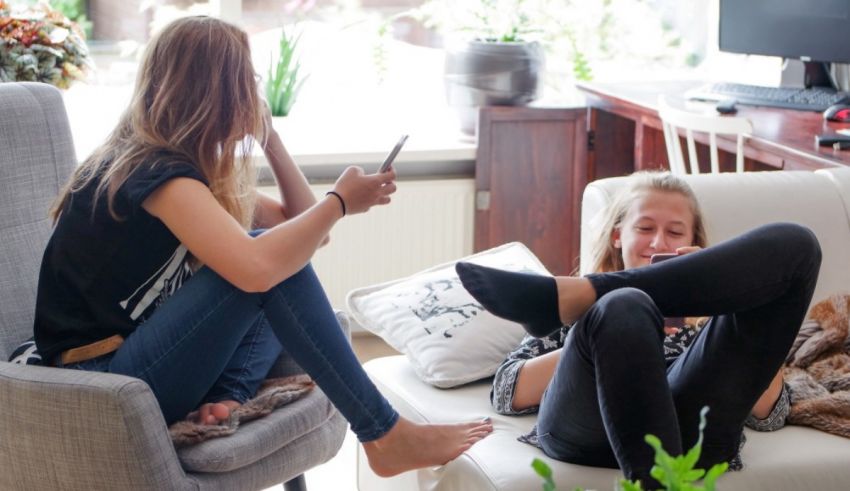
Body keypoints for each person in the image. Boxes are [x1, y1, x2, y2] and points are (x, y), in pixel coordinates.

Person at [32, 16, 491, 477]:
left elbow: (305, 233)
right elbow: (262, 265)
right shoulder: (154, 175)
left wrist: (270, 137)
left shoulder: (184, 168)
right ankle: (383, 432)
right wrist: (338, 203)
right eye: (246, 79)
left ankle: (229, 395)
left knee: (276, 255)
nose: (254, 88)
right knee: (261, 260)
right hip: (103, 379)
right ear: (215, 89)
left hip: (141, 358)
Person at [454, 171, 820, 486]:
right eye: (645, 228)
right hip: (587, 425)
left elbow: (770, 414)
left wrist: (717, 312)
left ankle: (585, 291)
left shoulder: (711, 320)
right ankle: (602, 294)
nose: (659, 242)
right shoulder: (588, 320)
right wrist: (606, 342)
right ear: (618, 235)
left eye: (675, 232)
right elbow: (507, 391)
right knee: (625, 303)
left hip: (691, 431)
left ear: (697, 244)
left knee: (798, 243)